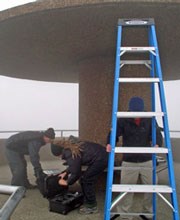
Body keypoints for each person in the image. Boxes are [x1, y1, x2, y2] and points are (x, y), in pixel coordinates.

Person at [106, 97, 163, 220]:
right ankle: (125, 215)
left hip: (147, 160)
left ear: (143, 111)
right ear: (130, 110)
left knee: (152, 188)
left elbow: (157, 133)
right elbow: (113, 133)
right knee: (126, 189)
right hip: (129, 160)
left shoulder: (150, 119)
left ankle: (147, 212)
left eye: (138, 113)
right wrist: (110, 143)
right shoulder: (123, 119)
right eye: (133, 112)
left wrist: (157, 144)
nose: (136, 116)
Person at [51, 135, 108, 215]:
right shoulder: (70, 146)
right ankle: (88, 200)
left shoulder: (69, 152)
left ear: (59, 152)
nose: (60, 158)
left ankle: (92, 206)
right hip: (102, 155)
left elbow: (76, 172)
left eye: (58, 156)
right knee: (84, 179)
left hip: (101, 159)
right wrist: (66, 172)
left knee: (86, 180)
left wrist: (67, 182)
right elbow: (75, 164)